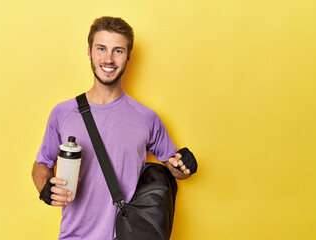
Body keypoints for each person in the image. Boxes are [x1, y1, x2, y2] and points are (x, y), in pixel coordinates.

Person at [32, 16, 197, 240]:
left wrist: (185, 164)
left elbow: (175, 168)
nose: (108, 59)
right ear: (89, 51)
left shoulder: (146, 117)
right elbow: (42, 162)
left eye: (118, 51)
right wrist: (45, 187)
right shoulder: (62, 113)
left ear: (129, 55)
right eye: (101, 49)